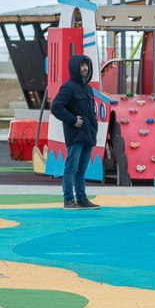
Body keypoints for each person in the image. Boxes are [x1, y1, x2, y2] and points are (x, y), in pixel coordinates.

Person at [50, 54, 101, 209]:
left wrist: (94, 130)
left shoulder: (89, 89)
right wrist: (72, 120)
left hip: (88, 135)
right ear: (74, 68)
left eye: (86, 65)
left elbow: (91, 113)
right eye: (81, 65)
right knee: (71, 168)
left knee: (81, 170)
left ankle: (82, 199)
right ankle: (68, 200)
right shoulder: (68, 87)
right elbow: (56, 107)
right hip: (75, 135)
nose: (85, 68)